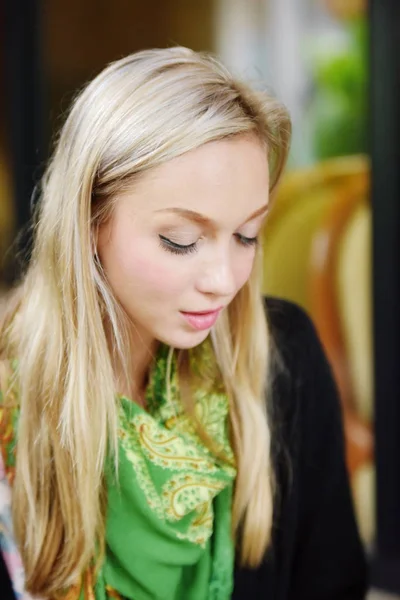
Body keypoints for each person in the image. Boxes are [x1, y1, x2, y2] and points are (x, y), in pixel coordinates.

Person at [0, 47, 367, 600]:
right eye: (182, 240)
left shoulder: (283, 362)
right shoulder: (10, 402)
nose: (224, 279)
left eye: (246, 234)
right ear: (90, 223)